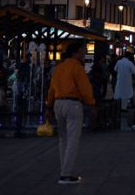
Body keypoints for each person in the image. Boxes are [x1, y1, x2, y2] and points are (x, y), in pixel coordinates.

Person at [45, 41, 96, 185]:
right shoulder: (77, 67)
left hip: (57, 104)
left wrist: (48, 106)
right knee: (73, 139)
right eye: (82, 51)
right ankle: (66, 175)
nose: (84, 54)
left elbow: (51, 89)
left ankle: (64, 170)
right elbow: (85, 89)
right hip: (73, 104)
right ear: (75, 53)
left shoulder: (59, 68)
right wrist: (92, 104)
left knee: (63, 139)